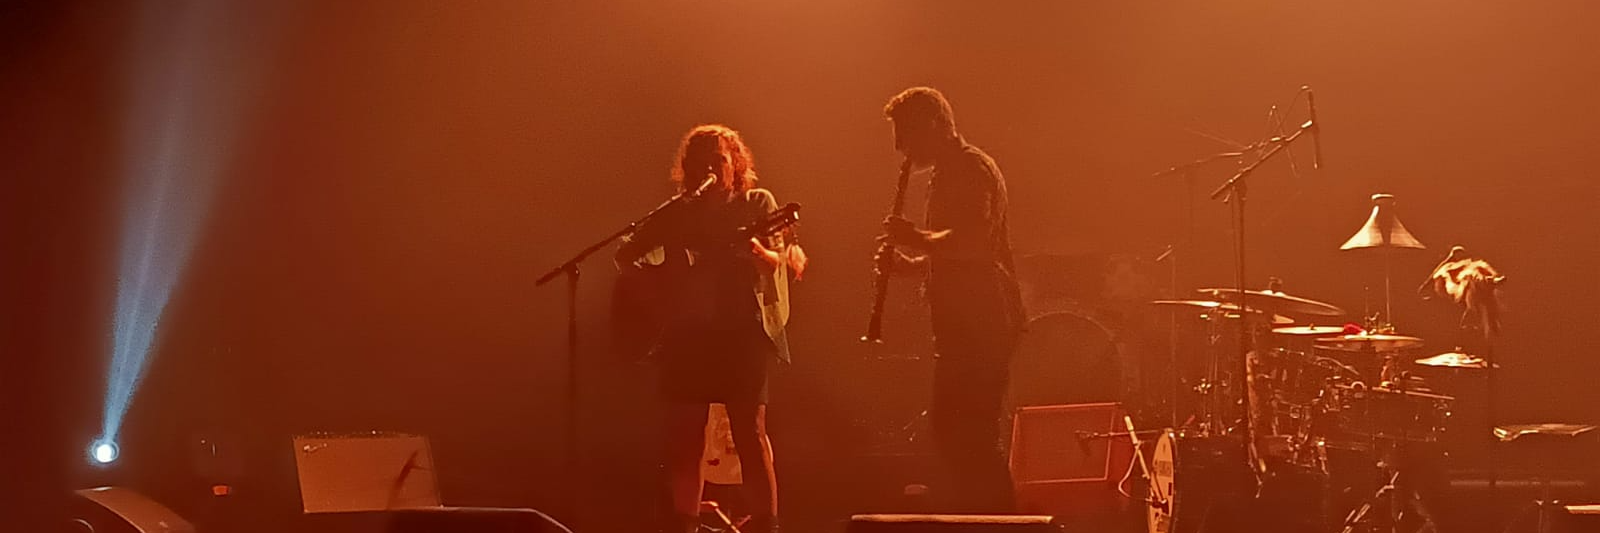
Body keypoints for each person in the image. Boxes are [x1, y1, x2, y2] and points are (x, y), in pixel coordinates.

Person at [615, 124, 804, 533]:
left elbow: (780, 261)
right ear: (687, 169)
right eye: (700, 164)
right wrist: (658, 284)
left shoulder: (757, 203)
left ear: (735, 164)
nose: (710, 171)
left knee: (750, 434)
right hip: (686, 335)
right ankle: (684, 526)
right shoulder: (678, 212)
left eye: (718, 161)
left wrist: (757, 250)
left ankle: (766, 527)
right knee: (686, 438)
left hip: (740, 334)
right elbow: (626, 255)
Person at [874, 87, 1024, 513]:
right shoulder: (944, 173)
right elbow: (954, 253)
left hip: (986, 320)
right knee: (954, 431)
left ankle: (1004, 521)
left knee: (971, 432)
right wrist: (910, 264)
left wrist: (915, 239)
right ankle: (982, 517)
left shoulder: (972, 168)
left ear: (935, 125)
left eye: (905, 133)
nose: (900, 146)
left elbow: (973, 244)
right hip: (962, 323)